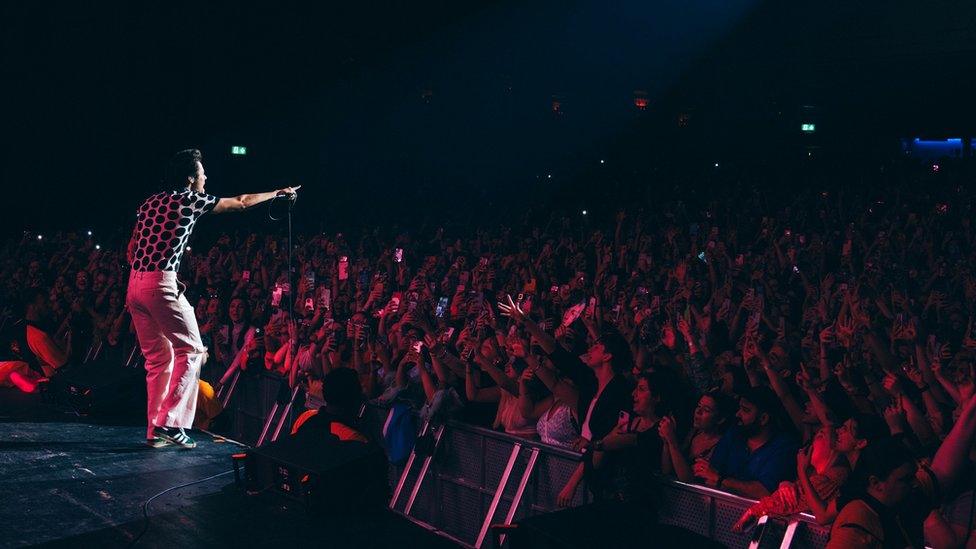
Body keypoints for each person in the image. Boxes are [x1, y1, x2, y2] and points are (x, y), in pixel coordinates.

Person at [126, 148, 300, 448]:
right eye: (202, 173)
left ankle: (156, 429)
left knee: (158, 360)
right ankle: (172, 423)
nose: (206, 177)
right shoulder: (188, 199)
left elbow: (131, 250)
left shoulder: (150, 202)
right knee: (192, 351)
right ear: (191, 179)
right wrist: (276, 193)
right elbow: (241, 202)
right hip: (159, 284)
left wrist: (155, 272)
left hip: (135, 284)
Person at [695, 386, 799, 499]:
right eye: (739, 408)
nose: (738, 414)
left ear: (763, 418)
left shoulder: (784, 447)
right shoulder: (734, 434)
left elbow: (763, 492)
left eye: (745, 410)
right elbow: (710, 475)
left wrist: (721, 480)